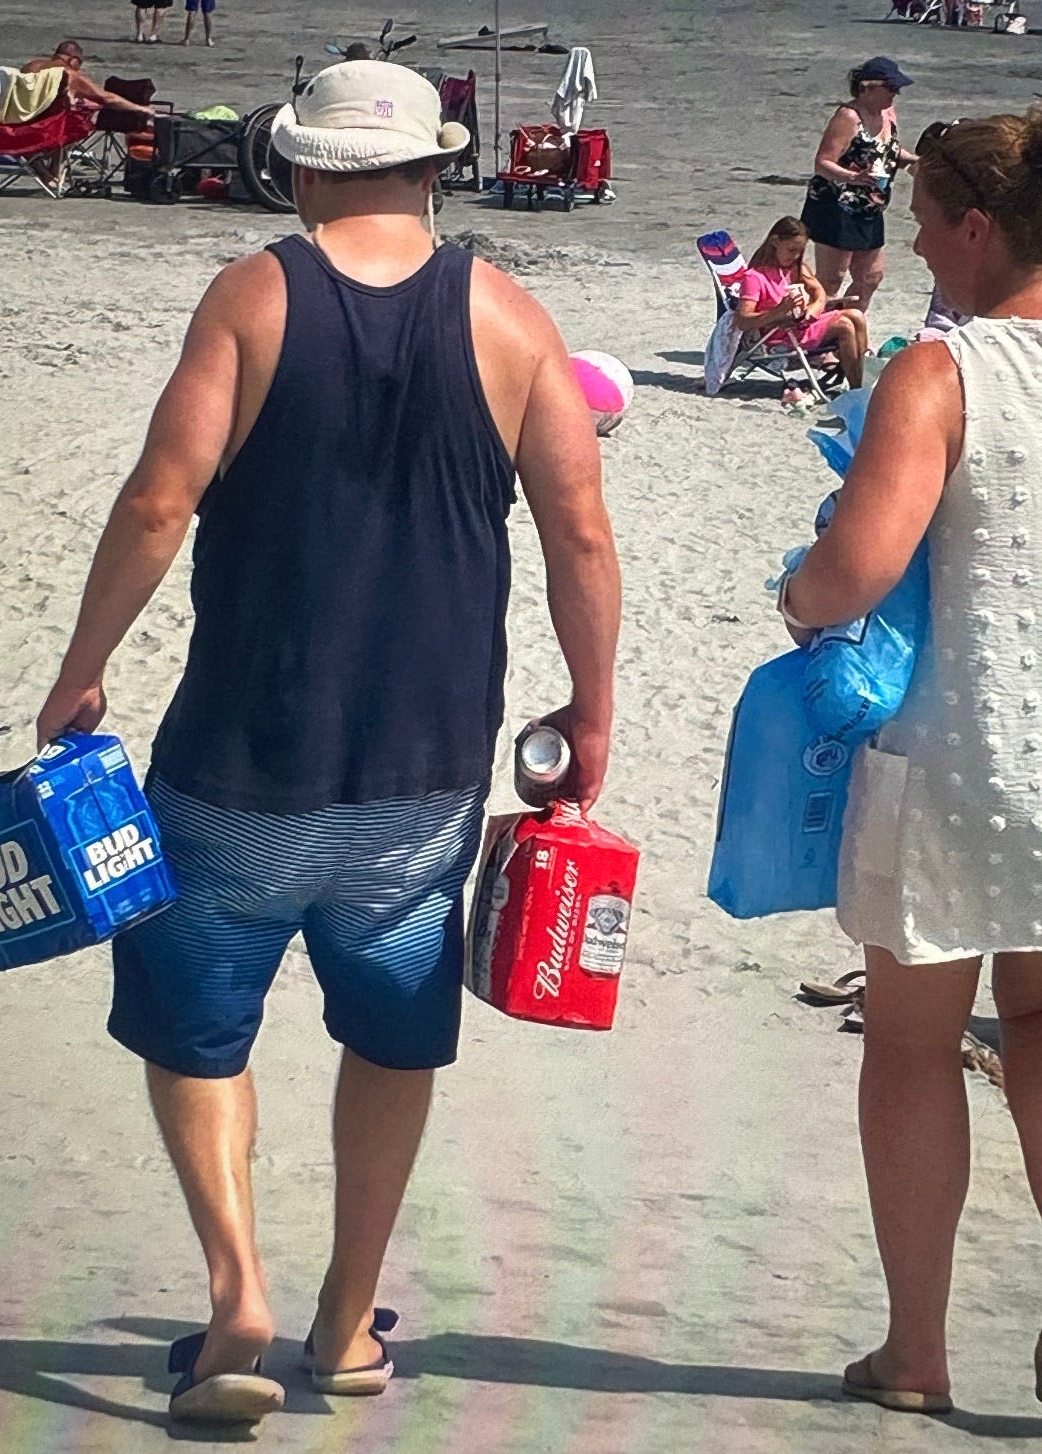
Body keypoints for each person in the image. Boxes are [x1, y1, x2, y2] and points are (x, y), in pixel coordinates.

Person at [36, 60, 620, 1427]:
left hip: (239, 750)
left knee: (196, 1027)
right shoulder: (509, 316)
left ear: (298, 169)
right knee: (392, 1033)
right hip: (423, 766)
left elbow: (157, 501)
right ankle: (347, 1321)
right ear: (432, 168)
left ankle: (237, 1289)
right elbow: (579, 532)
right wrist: (590, 709)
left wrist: (81, 672)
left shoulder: (253, 294)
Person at [776, 106, 1042, 1413]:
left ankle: (914, 1352)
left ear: (973, 227)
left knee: (910, 1044)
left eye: (919, 223)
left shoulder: (937, 371)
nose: (909, 244)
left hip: (973, 747)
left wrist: (798, 595)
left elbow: (859, 568)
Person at [801, 57, 919, 314]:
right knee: (832, 279)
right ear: (868, 87)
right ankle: (820, 341)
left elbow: (888, 151)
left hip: (870, 206)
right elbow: (822, 163)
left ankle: (845, 327)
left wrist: (914, 162)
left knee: (871, 276)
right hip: (837, 206)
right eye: (890, 88)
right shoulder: (848, 116)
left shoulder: (889, 113)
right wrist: (852, 177)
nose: (895, 93)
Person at [734, 216, 867, 396]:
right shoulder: (755, 277)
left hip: (799, 325)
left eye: (800, 250)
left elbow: (819, 293)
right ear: (775, 242)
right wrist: (779, 311)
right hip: (779, 335)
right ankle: (856, 389)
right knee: (845, 327)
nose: (796, 255)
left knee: (856, 315)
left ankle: (859, 379)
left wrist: (814, 308)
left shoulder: (795, 268)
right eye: (791, 250)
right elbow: (742, 321)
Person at [22, 41, 155, 119]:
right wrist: (141, 109)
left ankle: (37, 162)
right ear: (73, 59)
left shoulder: (31, 66)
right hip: (44, 125)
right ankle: (54, 165)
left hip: (20, 118)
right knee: (79, 125)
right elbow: (107, 98)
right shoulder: (69, 74)